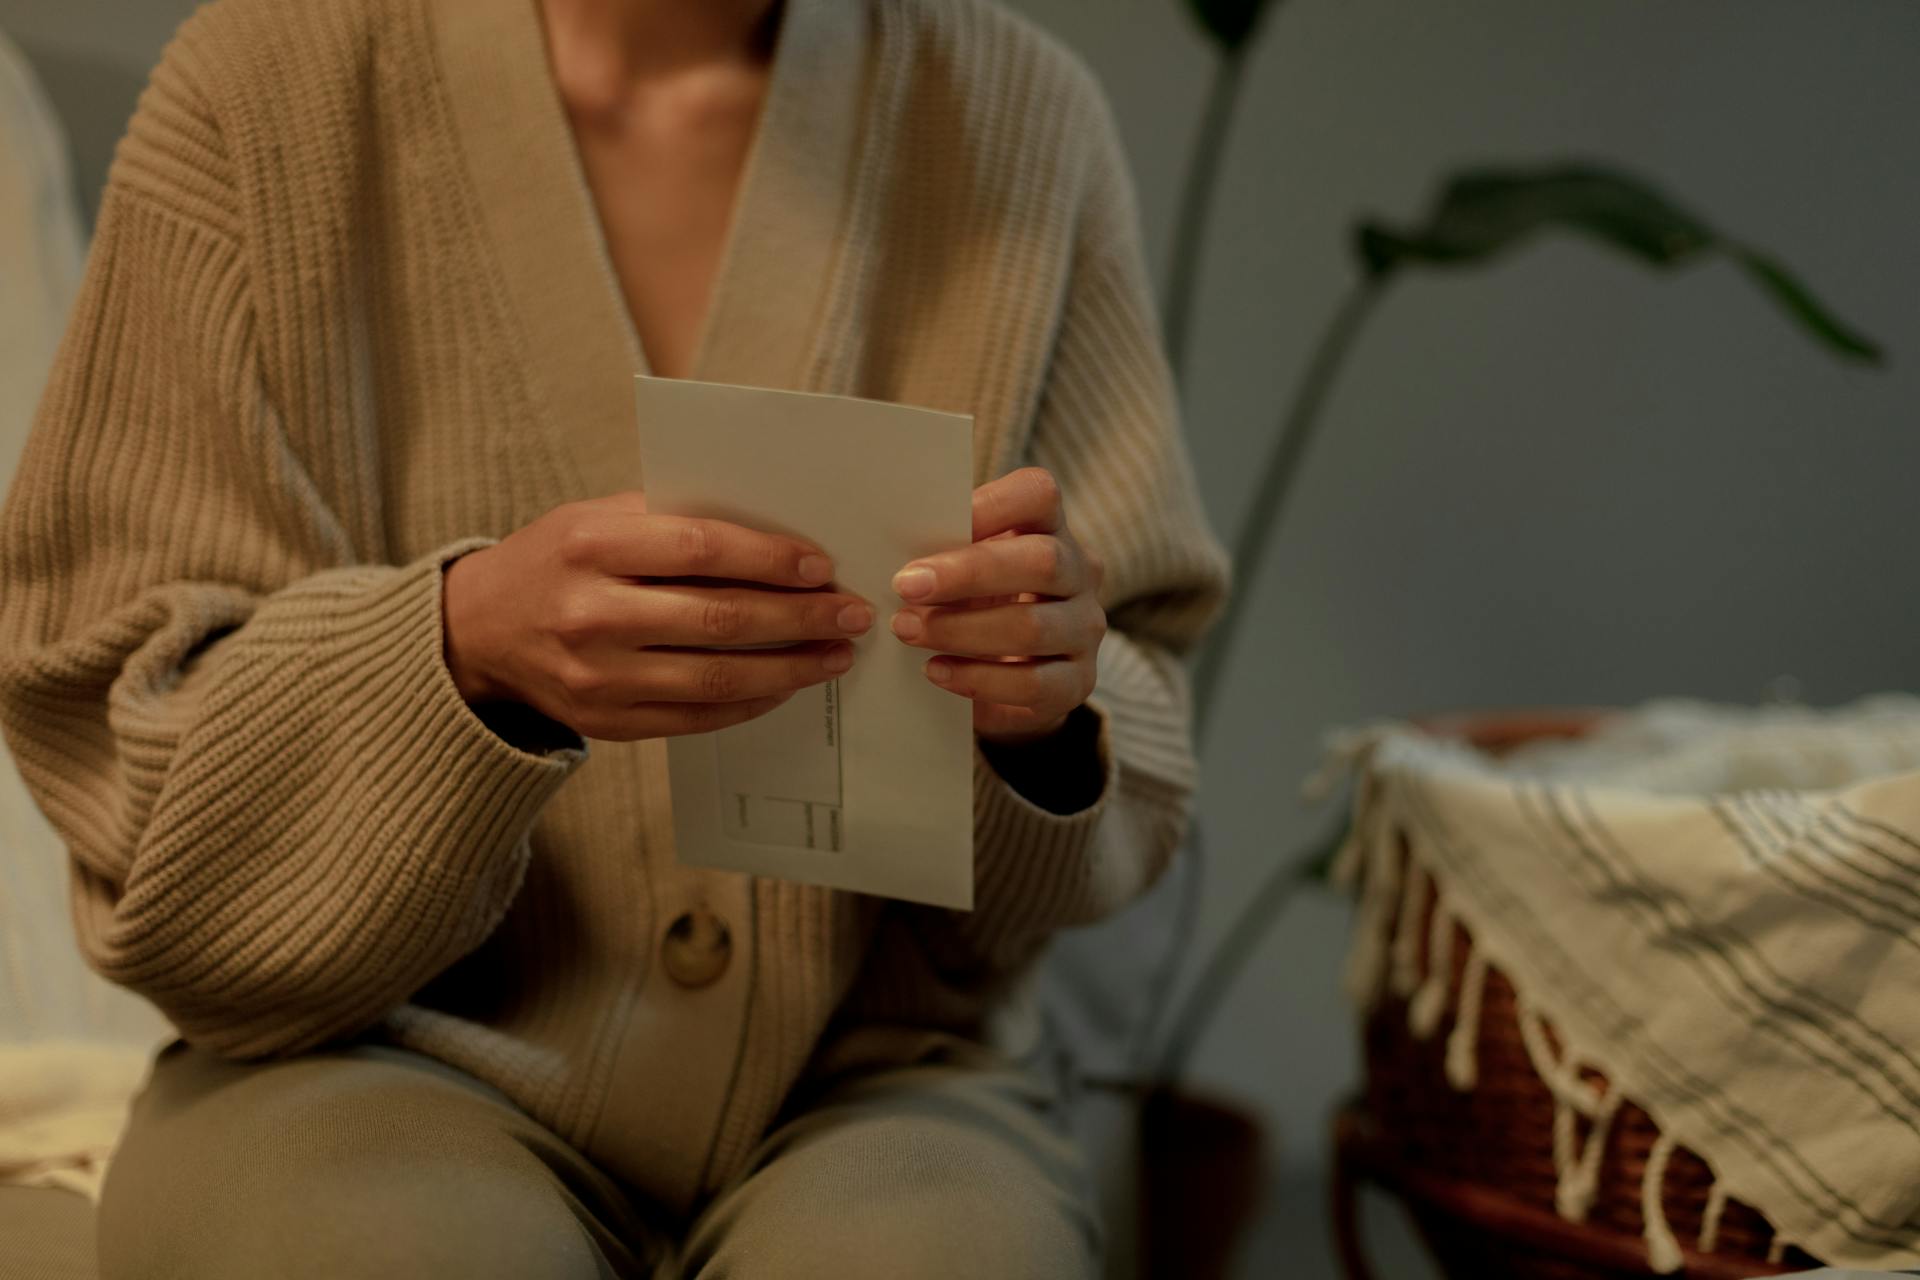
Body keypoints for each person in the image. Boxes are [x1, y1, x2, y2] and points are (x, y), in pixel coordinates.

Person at [0, 0, 1228, 1274]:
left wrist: (1043, 713)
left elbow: (1140, 715)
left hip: (876, 1084)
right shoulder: (264, 94)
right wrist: (460, 648)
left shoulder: (1019, 122)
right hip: (356, 1056)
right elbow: (116, 724)